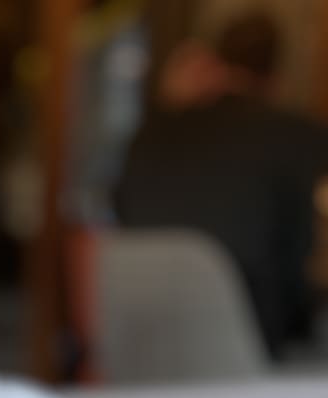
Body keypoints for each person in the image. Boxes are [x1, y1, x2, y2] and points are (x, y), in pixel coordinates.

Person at [112, 11, 328, 360]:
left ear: (213, 63)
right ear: (277, 72)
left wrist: (168, 108)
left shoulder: (150, 135)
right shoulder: (295, 134)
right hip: (255, 344)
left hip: (139, 347)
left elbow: (119, 213)